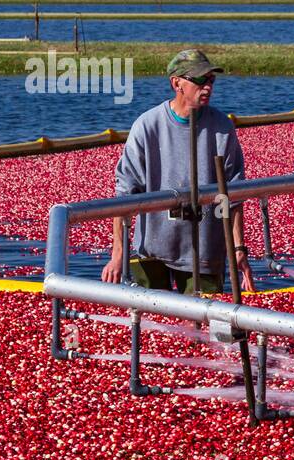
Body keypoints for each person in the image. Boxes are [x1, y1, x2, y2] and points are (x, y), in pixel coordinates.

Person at [102, 48, 256, 294]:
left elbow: (233, 196)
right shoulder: (147, 126)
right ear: (177, 83)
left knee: (203, 326)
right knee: (155, 323)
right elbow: (124, 194)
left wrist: (238, 249)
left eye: (211, 80)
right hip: (152, 251)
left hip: (204, 251)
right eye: (199, 80)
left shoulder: (222, 128)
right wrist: (117, 254)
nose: (207, 87)